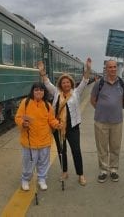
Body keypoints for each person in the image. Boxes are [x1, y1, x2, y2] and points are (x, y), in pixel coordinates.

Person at [38, 58, 91, 186]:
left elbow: (85, 81)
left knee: (76, 150)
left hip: (72, 127)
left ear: (71, 83)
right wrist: (42, 73)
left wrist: (88, 69)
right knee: (62, 151)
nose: (66, 84)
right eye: (63, 83)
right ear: (60, 84)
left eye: (67, 82)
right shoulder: (56, 92)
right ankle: (64, 171)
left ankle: (81, 174)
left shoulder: (76, 93)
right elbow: (47, 83)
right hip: (58, 126)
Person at [14, 82, 62, 191]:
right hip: (29, 140)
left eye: (41, 90)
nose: (39, 92)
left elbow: (51, 119)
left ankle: (42, 179)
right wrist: (23, 123)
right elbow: (18, 117)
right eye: (36, 90)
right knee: (29, 163)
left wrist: (57, 124)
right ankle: (25, 180)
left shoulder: (47, 105)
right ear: (32, 91)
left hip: (44, 140)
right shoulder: (25, 103)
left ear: (44, 92)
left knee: (43, 162)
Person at [90, 60, 124, 183]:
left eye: (114, 67)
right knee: (102, 147)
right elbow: (93, 100)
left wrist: (113, 108)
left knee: (115, 147)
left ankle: (113, 169)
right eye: (110, 67)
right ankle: (103, 170)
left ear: (117, 68)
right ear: (106, 69)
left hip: (117, 121)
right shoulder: (99, 83)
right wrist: (102, 110)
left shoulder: (122, 83)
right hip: (101, 121)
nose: (112, 69)